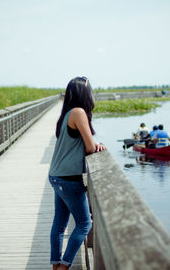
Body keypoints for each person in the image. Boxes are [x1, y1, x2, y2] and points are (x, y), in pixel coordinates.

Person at [49, 76, 106, 270]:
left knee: (59, 225)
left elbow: (83, 144)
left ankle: (56, 266)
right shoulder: (79, 112)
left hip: (56, 176)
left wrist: (92, 144)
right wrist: (95, 145)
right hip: (68, 179)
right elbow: (90, 148)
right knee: (84, 224)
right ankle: (64, 267)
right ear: (84, 93)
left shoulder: (67, 113)